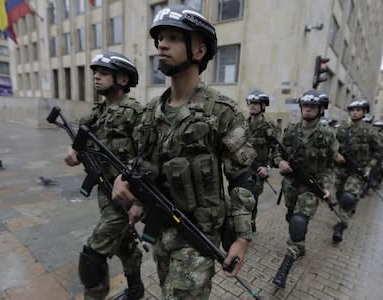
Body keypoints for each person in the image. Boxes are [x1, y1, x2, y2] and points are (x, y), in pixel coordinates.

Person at [111, 5, 256, 299]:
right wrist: (124, 183)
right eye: (160, 38)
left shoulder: (221, 112)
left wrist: (241, 238)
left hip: (198, 237)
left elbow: (242, 176)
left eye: (174, 38)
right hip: (161, 232)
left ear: (199, 51)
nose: (162, 45)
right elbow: (143, 167)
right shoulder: (150, 112)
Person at [64, 52, 144, 300]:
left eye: (103, 72)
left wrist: (139, 199)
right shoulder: (96, 113)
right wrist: (73, 152)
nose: (96, 77)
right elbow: (79, 142)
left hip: (125, 193)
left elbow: (148, 155)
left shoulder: (135, 112)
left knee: (93, 253)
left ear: (122, 78)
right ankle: (135, 290)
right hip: (103, 191)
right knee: (125, 244)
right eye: (95, 72)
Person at [271, 90, 339, 289]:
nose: (308, 109)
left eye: (313, 106)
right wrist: (280, 162)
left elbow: (330, 165)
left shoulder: (327, 134)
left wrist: (326, 186)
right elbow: (277, 153)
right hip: (291, 184)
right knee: (292, 218)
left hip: (312, 186)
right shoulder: (291, 131)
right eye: (305, 106)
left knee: (299, 221)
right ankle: (299, 245)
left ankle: (285, 266)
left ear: (320, 110)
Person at [334, 99, 383, 243]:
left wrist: (368, 168)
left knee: (348, 198)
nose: (355, 113)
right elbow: (332, 144)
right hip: (341, 169)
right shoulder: (341, 129)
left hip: (358, 171)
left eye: (358, 110)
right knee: (339, 194)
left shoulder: (370, 132)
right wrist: (335, 154)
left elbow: (378, 151)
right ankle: (348, 208)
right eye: (353, 110)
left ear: (364, 112)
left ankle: (340, 225)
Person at [245, 90, 278, 232]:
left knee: (253, 198)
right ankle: (243, 223)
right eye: (251, 103)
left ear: (263, 106)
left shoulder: (268, 126)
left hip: (259, 169)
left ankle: (250, 221)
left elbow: (276, 149)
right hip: (243, 166)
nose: (252, 106)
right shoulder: (243, 124)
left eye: (256, 104)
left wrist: (267, 167)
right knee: (241, 196)